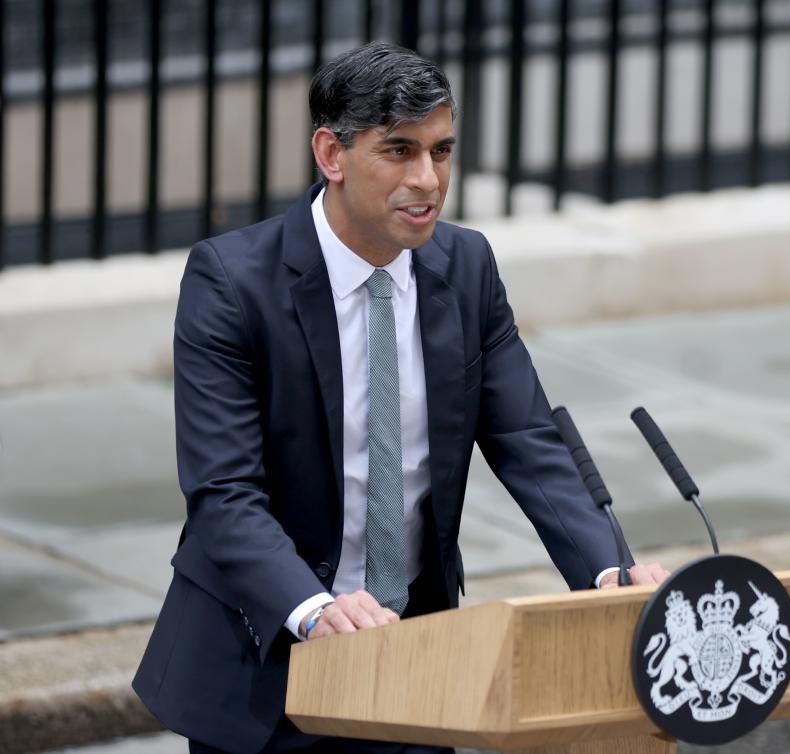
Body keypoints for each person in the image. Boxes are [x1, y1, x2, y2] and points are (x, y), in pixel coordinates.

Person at [133, 42, 668, 754]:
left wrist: (608, 574)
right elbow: (223, 492)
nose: (428, 179)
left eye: (442, 151)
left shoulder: (467, 267)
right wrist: (314, 609)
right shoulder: (232, 283)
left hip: (414, 656)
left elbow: (529, 441)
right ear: (332, 154)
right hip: (266, 663)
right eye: (399, 151)